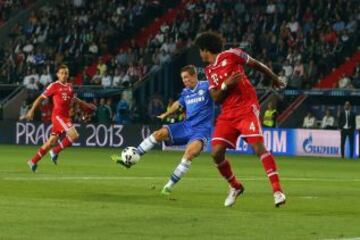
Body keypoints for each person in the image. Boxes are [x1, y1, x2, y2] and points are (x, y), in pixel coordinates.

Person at [195, 31, 286, 207]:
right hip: (227, 113)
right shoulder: (209, 70)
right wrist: (225, 85)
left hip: (246, 108)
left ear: (206, 50)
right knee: (216, 153)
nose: (200, 54)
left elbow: (256, 64)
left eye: (200, 50)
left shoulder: (232, 54)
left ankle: (277, 191)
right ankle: (235, 187)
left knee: (258, 147)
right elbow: (215, 97)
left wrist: (274, 78)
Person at [112, 65, 214, 195]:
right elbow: (178, 104)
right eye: (183, 78)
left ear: (194, 75)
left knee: (188, 154)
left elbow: (219, 92)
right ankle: (132, 158)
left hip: (201, 130)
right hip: (186, 126)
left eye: (187, 77)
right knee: (159, 133)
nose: (185, 81)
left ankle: (168, 186)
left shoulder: (206, 86)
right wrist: (167, 113)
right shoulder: (186, 92)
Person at [25, 64, 96, 172]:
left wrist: (86, 105)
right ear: (58, 74)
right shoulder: (54, 86)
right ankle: (54, 152)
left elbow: (75, 99)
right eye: (62, 73)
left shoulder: (69, 86)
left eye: (66, 73)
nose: (64, 75)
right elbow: (40, 98)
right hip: (58, 116)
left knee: (51, 142)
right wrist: (31, 110)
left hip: (65, 116)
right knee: (74, 135)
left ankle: (33, 161)